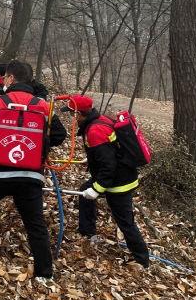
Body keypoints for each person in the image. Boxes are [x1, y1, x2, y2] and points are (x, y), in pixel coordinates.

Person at [0, 61, 67, 281]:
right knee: (35, 224)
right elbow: (59, 136)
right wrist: (38, 144)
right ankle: (45, 274)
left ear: (11, 79)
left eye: (4, 77)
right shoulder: (43, 106)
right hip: (30, 176)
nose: (3, 81)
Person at [61, 95, 150, 268]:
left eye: (73, 113)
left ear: (80, 114)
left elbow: (109, 166)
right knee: (84, 191)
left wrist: (97, 189)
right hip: (118, 175)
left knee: (125, 221)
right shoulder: (99, 120)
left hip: (119, 182)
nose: (72, 117)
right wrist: (92, 160)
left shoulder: (95, 131)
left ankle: (142, 259)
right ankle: (87, 232)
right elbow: (109, 152)